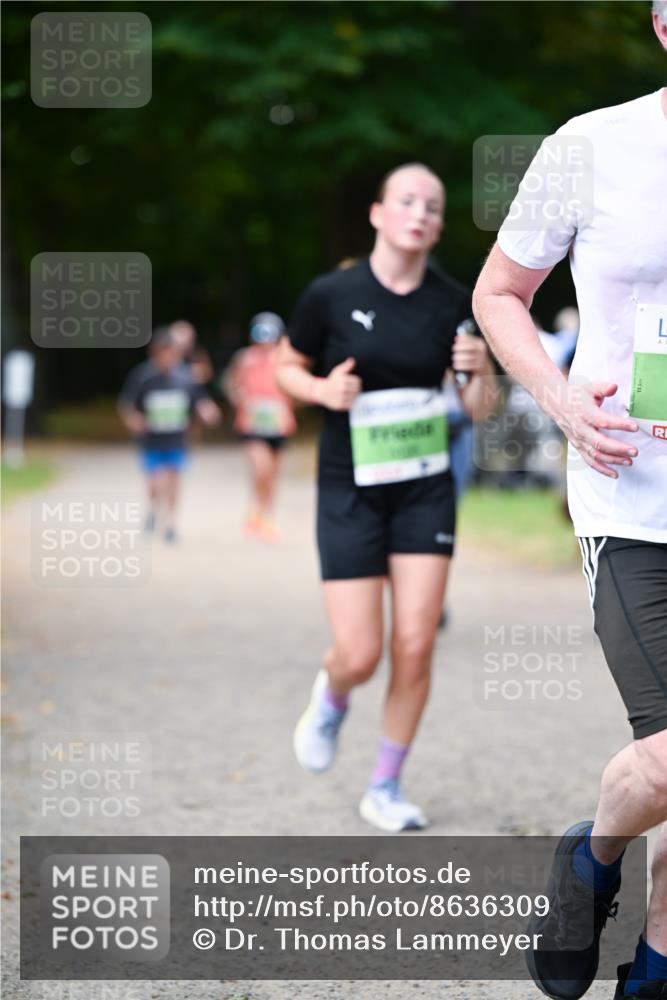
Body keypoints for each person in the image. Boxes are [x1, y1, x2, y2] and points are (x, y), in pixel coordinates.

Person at [473, 6, 667, 997]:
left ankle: (656, 971)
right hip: (633, 498)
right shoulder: (590, 145)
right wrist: (556, 400)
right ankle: (589, 856)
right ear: (661, 26)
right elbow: (499, 291)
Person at [276, 163, 496, 832]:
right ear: (377, 213)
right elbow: (284, 365)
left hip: (423, 489)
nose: (420, 213)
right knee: (361, 652)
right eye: (406, 200)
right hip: (350, 489)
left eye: (432, 205)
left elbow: (478, 411)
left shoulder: (454, 301)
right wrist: (320, 392)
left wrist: (479, 371)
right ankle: (334, 691)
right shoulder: (331, 294)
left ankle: (385, 785)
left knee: (415, 642)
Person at [118, 327, 220, 542]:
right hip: (151, 440)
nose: (167, 358)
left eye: (170, 352)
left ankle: (171, 523)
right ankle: (154, 509)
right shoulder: (143, 376)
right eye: (162, 353)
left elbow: (199, 401)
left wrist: (207, 411)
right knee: (155, 483)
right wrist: (134, 419)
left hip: (177, 439)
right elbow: (127, 404)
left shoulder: (185, 377)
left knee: (173, 480)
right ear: (154, 353)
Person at [223, 312, 297, 542]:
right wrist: (238, 396)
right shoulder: (244, 358)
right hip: (253, 423)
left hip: (279, 423)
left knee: (272, 474)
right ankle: (257, 508)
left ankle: (267, 516)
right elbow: (229, 383)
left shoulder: (286, 358)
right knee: (260, 469)